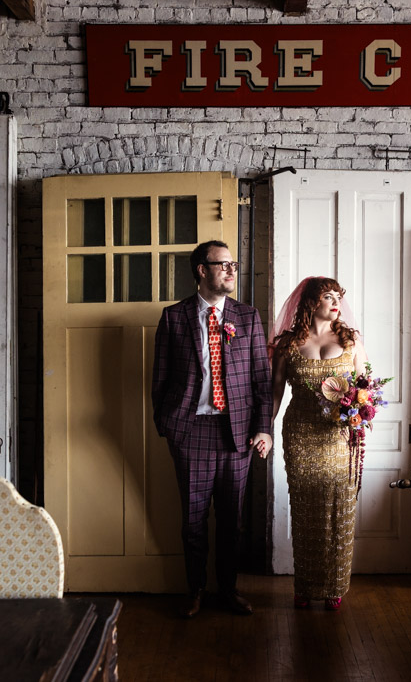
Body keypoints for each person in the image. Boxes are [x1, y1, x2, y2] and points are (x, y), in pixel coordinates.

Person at [152, 240, 273, 619]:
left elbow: (261, 380)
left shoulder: (248, 317)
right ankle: (195, 590)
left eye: (234, 264)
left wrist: (264, 429)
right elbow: (159, 379)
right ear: (202, 270)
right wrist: (169, 427)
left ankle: (229, 590)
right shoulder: (174, 317)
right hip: (190, 432)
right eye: (223, 265)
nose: (232, 271)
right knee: (193, 521)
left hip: (237, 434)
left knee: (231, 523)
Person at [270, 276, 368, 611]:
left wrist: (360, 411)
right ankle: (306, 586)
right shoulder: (287, 344)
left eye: (339, 296)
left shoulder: (351, 339)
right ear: (312, 302)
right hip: (300, 434)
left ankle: (335, 587)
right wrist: (264, 431)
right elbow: (274, 394)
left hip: (339, 437)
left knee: (338, 508)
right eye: (329, 296)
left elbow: (366, 386)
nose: (337, 302)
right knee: (307, 508)